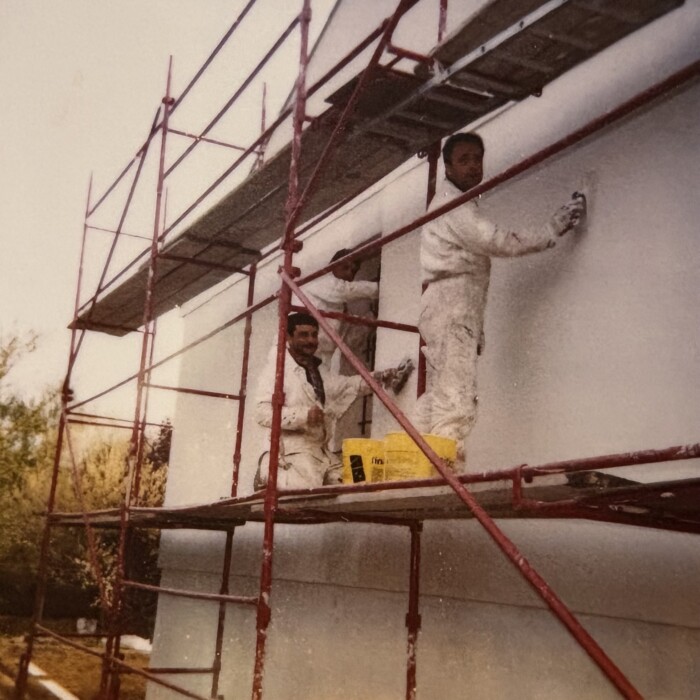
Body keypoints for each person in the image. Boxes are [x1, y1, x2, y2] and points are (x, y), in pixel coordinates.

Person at [416, 132, 586, 459]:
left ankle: (417, 463)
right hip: (452, 301)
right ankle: (444, 472)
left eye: (477, 158)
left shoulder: (454, 202)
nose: (473, 166)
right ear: (447, 167)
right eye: (463, 160)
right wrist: (550, 230)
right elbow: (495, 240)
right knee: (456, 396)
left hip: (446, 302)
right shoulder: (454, 205)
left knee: (440, 391)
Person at [254, 312, 412, 490]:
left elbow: (346, 385)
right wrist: (304, 415)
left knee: (355, 481)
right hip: (291, 451)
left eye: (314, 335)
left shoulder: (317, 370)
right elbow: (261, 413)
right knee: (305, 490)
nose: (311, 340)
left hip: (321, 451)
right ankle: (265, 475)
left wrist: (380, 377)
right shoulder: (276, 371)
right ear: (288, 337)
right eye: (303, 335)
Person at [303, 249, 379, 369]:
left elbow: (349, 336)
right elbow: (343, 290)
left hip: (320, 355)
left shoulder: (339, 305)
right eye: (345, 267)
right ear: (332, 266)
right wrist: (379, 287)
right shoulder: (320, 279)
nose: (349, 274)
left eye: (353, 271)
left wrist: (372, 316)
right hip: (299, 348)